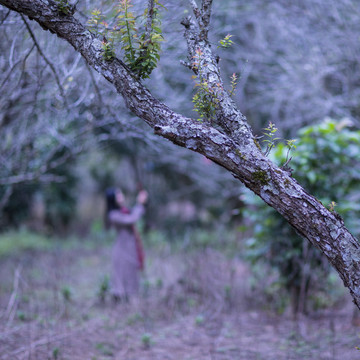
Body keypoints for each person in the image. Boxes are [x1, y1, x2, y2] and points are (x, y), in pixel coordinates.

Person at [105, 187, 148, 303]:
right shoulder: (113, 214)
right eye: (118, 196)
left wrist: (139, 205)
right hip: (121, 250)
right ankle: (119, 301)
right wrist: (139, 204)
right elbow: (131, 219)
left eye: (121, 194)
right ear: (112, 199)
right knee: (120, 276)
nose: (121, 197)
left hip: (130, 249)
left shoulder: (123, 210)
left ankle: (129, 300)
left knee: (131, 274)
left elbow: (132, 215)